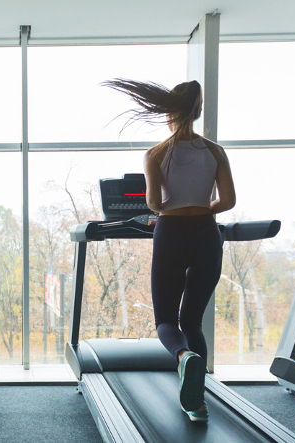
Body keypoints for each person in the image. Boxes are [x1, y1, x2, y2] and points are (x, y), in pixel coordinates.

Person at [103, 79, 236, 422]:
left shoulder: (156, 153)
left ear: (168, 112)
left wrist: (175, 206)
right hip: (207, 233)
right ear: (197, 111)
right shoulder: (215, 151)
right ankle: (199, 402)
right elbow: (229, 200)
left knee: (165, 320)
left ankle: (182, 358)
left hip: (171, 232)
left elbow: (154, 203)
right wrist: (202, 207)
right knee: (192, 321)